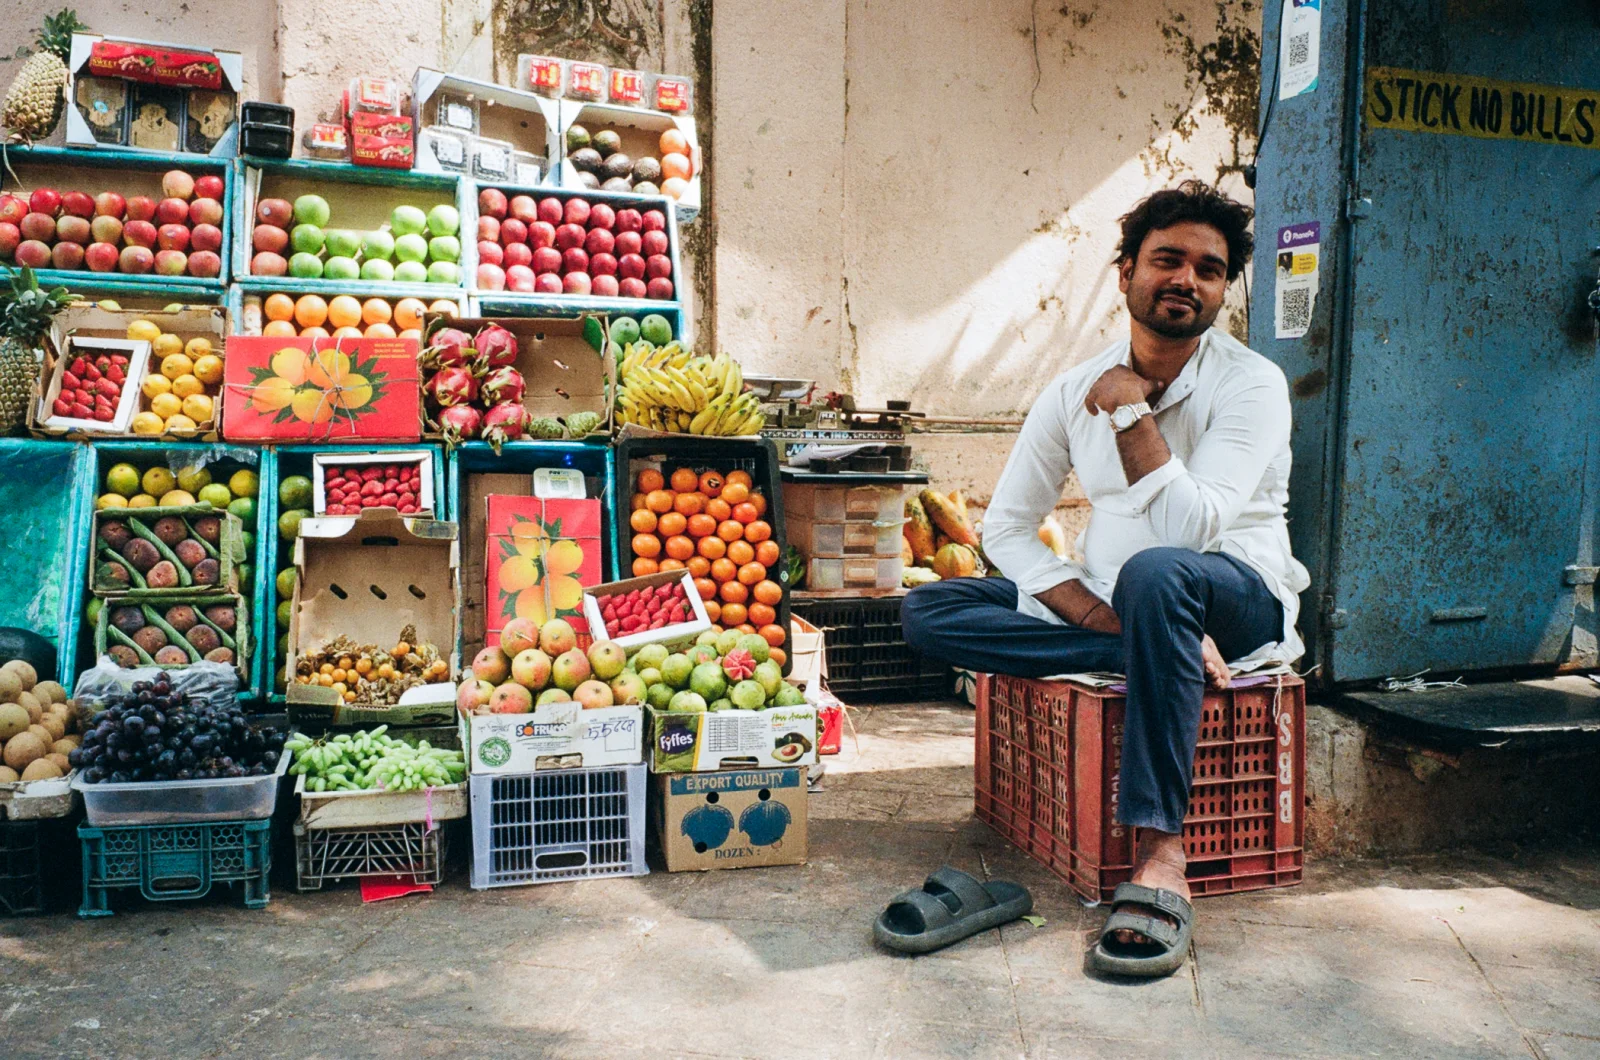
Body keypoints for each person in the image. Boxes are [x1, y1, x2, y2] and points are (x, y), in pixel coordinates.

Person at [902, 180, 1308, 977]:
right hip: (1121, 608)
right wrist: (1092, 612)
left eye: (1209, 269)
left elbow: (1194, 528)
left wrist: (1130, 413)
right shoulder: (1067, 389)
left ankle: (1161, 853)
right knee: (926, 609)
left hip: (1235, 597)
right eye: (1167, 260)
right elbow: (1007, 528)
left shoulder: (1252, 384)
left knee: (1160, 572)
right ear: (1125, 274)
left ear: (1225, 290)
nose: (1186, 279)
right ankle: (1154, 654)